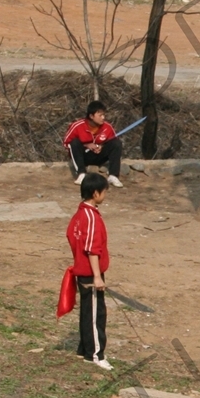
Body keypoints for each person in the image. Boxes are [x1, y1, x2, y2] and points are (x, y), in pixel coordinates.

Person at [58, 173, 112, 371]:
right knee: (97, 314)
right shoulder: (91, 217)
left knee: (87, 311)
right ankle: (96, 354)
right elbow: (92, 249)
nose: (105, 195)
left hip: (83, 270)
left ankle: (84, 348)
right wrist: (97, 276)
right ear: (96, 193)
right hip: (90, 273)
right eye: (104, 191)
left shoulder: (79, 215)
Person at [64, 102, 122, 187]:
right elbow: (66, 144)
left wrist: (102, 146)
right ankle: (81, 174)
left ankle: (113, 176)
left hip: (100, 156)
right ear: (91, 116)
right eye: (100, 115)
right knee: (74, 142)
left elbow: (112, 143)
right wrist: (86, 145)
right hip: (84, 156)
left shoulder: (107, 127)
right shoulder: (77, 126)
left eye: (104, 115)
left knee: (117, 143)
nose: (103, 118)